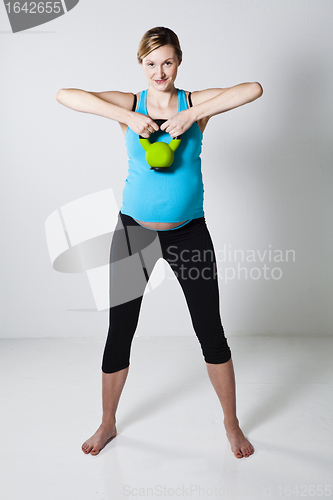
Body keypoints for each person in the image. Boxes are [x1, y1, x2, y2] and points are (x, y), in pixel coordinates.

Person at [56, 26, 263, 459]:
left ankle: (232, 424)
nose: (159, 71)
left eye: (167, 61)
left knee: (211, 332)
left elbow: (253, 89)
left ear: (178, 61)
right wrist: (127, 118)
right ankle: (107, 423)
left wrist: (193, 114)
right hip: (134, 232)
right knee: (120, 333)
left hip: (189, 233)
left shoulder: (194, 104)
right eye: (150, 63)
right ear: (141, 64)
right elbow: (65, 95)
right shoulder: (132, 103)